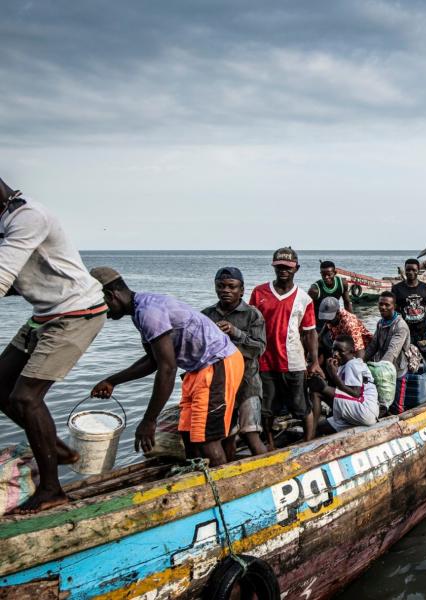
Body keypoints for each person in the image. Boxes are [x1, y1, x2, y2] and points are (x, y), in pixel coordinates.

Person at [0, 178, 107, 513]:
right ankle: (57, 449)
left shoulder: (28, 217)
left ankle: (52, 489)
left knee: (26, 397)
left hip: (77, 312)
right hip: (45, 314)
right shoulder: (5, 220)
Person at [90, 268, 243, 468]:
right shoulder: (140, 310)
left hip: (218, 363)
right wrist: (112, 381)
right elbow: (153, 361)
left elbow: (167, 369)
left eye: (99, 305)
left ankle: (223, 489)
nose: (101, 313)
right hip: (198, 368)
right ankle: (196, 479)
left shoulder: (148, 312)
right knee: (188, 434)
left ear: (111, 296)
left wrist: (149, 421)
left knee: (205, 438)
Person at [249, 247, 320, 447]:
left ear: (296, 269)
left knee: (300, 404)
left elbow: (309, 332)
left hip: (294, 360)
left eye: (288, 267)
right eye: (279, 266)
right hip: (265, 360)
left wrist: (314, 361)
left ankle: (308, 441)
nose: (283, 270)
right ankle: (269, 443)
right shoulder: (259, 292)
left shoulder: (304, 298)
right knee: (267, 405)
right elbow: (249, 324)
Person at [200, 267, 269, 458]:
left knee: (251, 434)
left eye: (231, 286)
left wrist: (235, 332)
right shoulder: (206, 315)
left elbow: (259, 348)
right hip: (219, 387)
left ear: (242, 289)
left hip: (247, 384)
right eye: (221, 286)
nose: (226, 290)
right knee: (225, 437)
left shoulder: (252, 315)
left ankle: (266, 472)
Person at [392, 259, 426, 397]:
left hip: (424, 331)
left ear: (418, 271)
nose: (410, 272)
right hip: (406, 333)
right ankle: (401, 393)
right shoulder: (397, 289)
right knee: (402, 363)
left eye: (413, 270)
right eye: (408, 270)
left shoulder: (425, 288)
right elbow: (394, 310)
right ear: (405, 270)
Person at [316, 336, 379, 434]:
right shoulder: (344, 365)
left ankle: (308, 437)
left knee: (318, 391)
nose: (335, 354)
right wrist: (334, 373)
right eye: (334, 349)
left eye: (340, 351)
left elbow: (356, 393)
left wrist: (333, 375)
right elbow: (341, 392)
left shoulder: (352, 364)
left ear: (352, 352)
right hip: (363, 412)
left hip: (364, 409)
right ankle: (313, 431)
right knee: (320, 427)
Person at [365, 291, 411, 414]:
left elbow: (392, 352)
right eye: (380, 304)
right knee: (381, 402)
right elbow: (373, 346)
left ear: (394, 306)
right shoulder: (381, 323)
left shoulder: (400, 326)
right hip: (383, 369)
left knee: (397, 407)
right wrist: (360, 361)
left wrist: (379, 370)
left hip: (397, 370)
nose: (383, 307)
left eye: (387, 305)